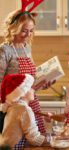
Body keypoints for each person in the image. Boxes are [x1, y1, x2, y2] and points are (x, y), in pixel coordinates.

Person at [0, 2, 53, 148]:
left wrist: (42, 83)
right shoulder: (4, 50)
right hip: (13, 107)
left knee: (33, 141)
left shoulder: (26, 48)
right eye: (24, 31)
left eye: (31, 31)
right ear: (13, 29)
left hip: (31, 101)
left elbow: (29, 80)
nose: (28, 35)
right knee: (17, 141)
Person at [0, 74, 51, 148]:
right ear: (23, 92)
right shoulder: (24, 109)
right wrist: (53, 140)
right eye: (30, 87)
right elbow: (34, 140)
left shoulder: (15, 106)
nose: (33, 90)